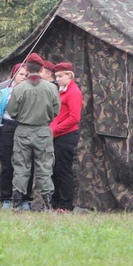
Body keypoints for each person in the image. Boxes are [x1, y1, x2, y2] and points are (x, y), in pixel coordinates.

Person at [6, 53, 60, 211]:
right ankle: (48, 205)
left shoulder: (19, 88)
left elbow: (12, 111)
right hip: (43, 131)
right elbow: (56, 110)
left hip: (23, 131)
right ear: (42, 68)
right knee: (44, 168)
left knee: (21, 168)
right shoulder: (51, 88)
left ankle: (16, 204)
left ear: (27, 69)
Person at [0, 62, 30, 209]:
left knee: (25, 163)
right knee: (7, 163)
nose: (24, 77)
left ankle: (24, 198)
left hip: (25, 127)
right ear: (14, 74)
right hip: (7, 127)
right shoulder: (2, 90)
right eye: (21, 74)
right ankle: (6, 198)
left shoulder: (31, 90)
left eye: (26, 75)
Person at [50, 62, 83, 212]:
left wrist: (55, 129)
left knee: (63, 171)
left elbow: (74, 118)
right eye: (56, 76)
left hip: (66, 135)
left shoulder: (73, 92)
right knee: (56, 170)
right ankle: (56, 202)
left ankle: (65, 204)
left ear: (69, 75)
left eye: (60, 76)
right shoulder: (62, 91)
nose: (57, 79)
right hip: (57, 135)